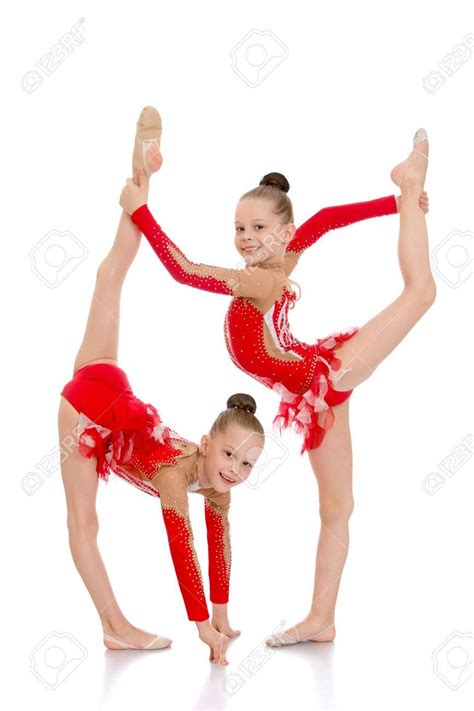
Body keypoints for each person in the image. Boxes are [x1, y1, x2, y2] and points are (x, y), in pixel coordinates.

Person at [119, 118, 435, 647]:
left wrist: (140, 211)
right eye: (240, 228)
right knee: (338, 507)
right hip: (314, 395)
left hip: (326, 372)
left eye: (259, 228)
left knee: (421, 291)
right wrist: (384, 206)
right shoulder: (280, 260)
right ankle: (322, 618)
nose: (246, 239)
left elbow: (184, 269)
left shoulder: (259, 278)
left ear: (283, 232)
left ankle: (412, 182)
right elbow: (328, 220)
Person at [57, 107, 264, 664]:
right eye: (228, 455)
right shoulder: (176, 476)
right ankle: (114, 626)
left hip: (107, 381)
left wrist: (224, 618)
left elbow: (218, 547)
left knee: (110, 276)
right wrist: (201, 628)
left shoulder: (217, 488)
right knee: (84, 520)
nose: (233, 471)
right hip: (87, 408)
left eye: (246, 464)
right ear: (205, 440)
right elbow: (184, 550)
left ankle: (140, 171)